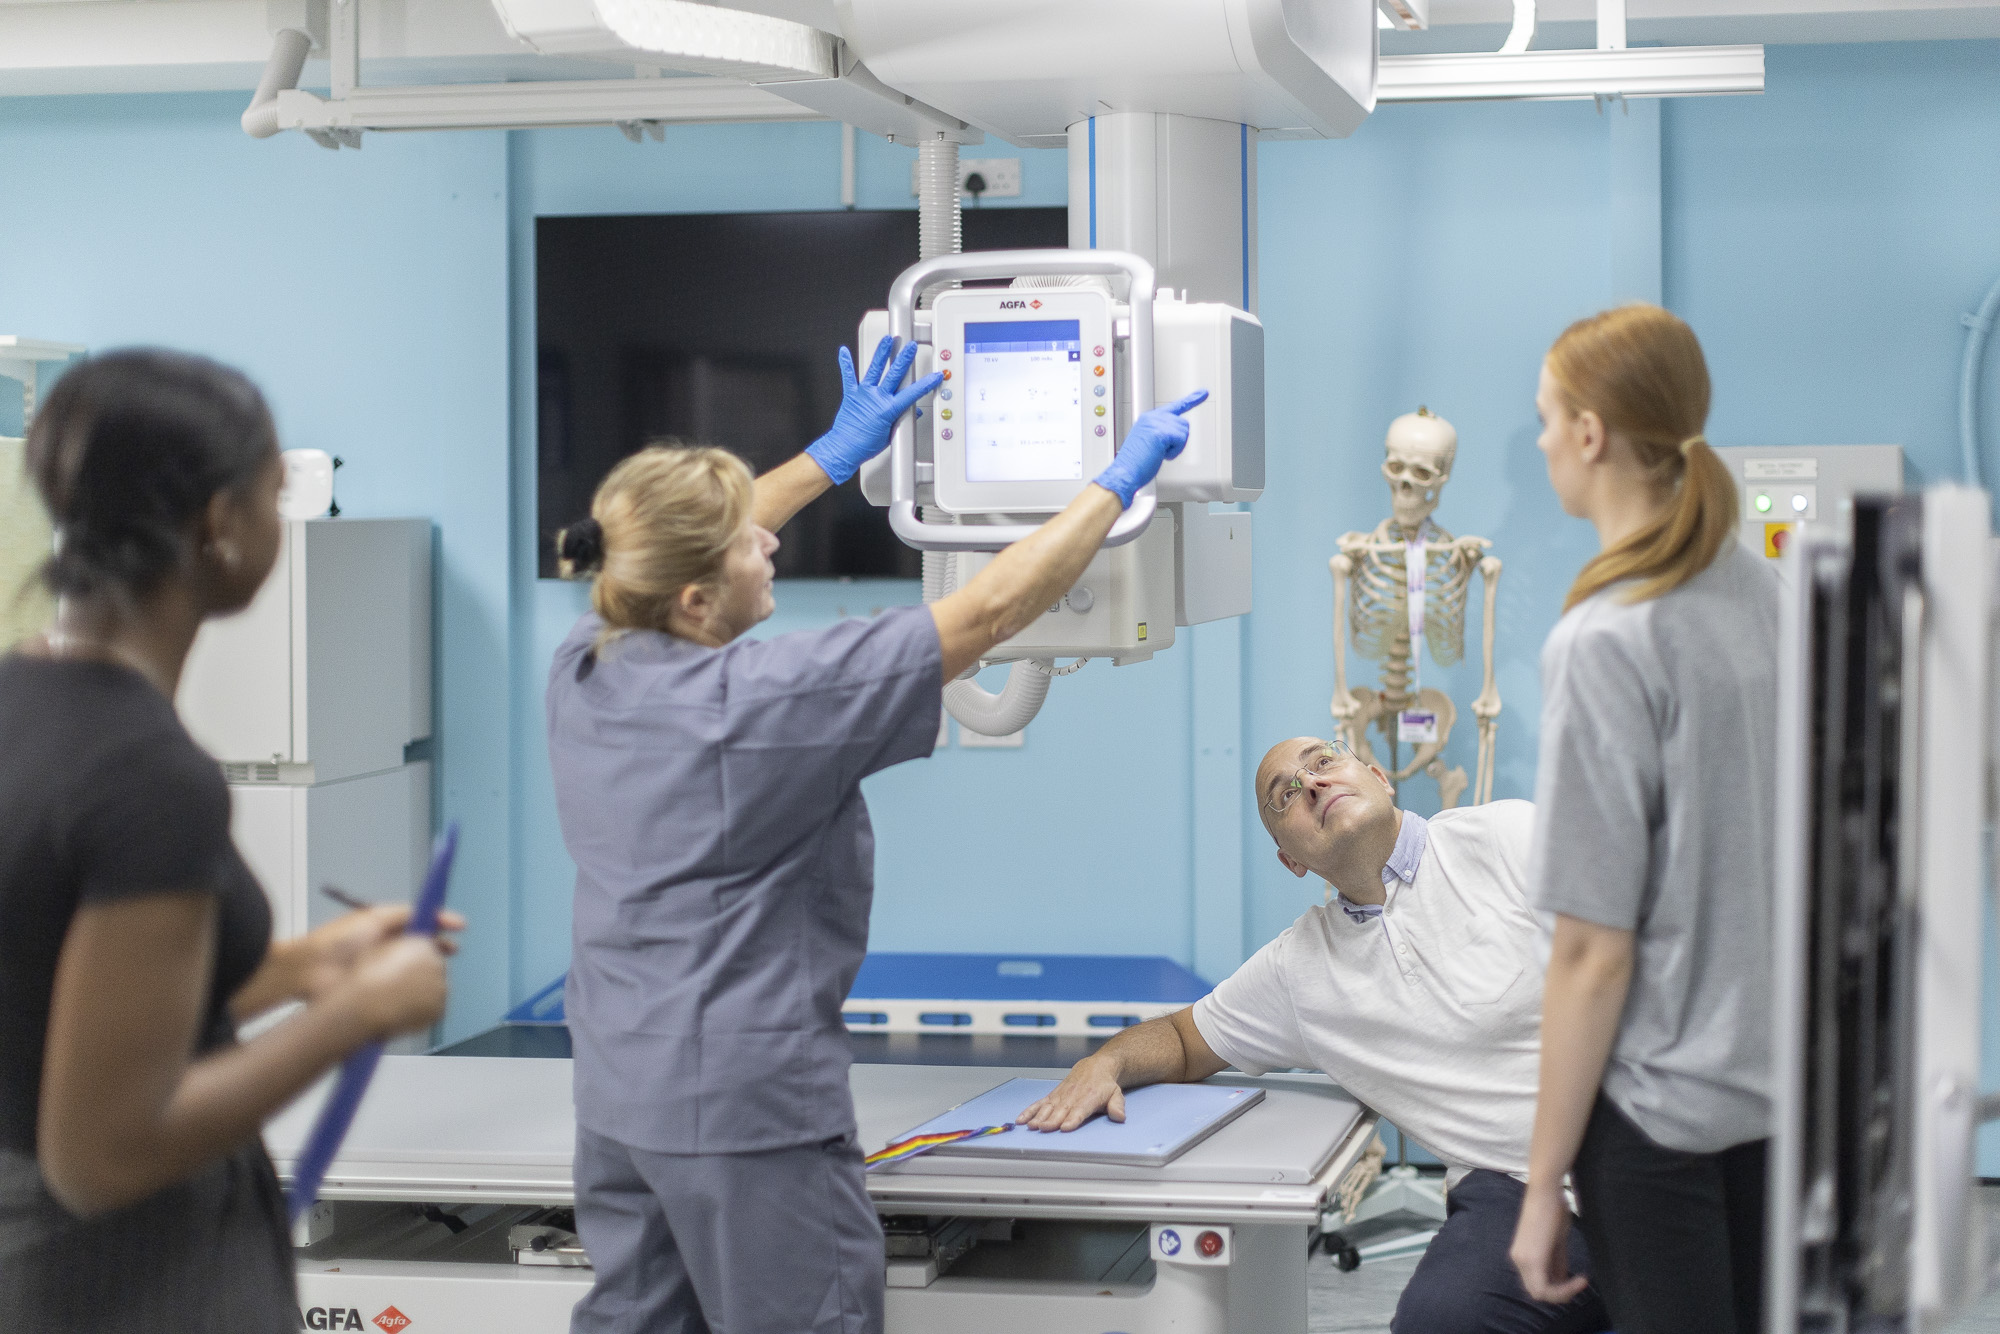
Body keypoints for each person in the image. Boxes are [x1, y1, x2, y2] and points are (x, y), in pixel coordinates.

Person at [545, 335, 1207, 1334]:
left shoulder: (585, 661)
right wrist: (1114, 483)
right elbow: (987, 609)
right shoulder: (762, 698)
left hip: (619, 1093)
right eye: (742, 542)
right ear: (692, 598)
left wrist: (829, 457)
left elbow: (668, 551)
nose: (766, 541)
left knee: (639, 1320)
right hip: (742, 1109)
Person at [0, 349, 460, 1333]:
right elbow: (102, 1153)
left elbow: (62, 999)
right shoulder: (145, 775)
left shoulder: (21, 699)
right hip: (123, 1276)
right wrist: (355, 1015)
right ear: (219, 523)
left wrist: (302, 965)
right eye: (271, 495)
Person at [1017, 734, 1609, 1334]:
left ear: (1379, 776)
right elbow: (1182, 1038)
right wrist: (1106, 1063)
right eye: (1286, 795)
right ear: (1290, 859)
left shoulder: (1508, 838)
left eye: (1323, 763)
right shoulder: (1299, 969)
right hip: (1512, 1191)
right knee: (1439, 1322)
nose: (1313, 785)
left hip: (1635, 1152)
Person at [1507, 305, 1776, 1334]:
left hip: (1654, 1121)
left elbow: (1588, 950)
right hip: (1772, 1099)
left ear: (1588, 433)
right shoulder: (1770, 598)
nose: (1536, 442)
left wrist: (1539, 1184)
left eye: (1542, 417)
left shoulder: (1604, 640)